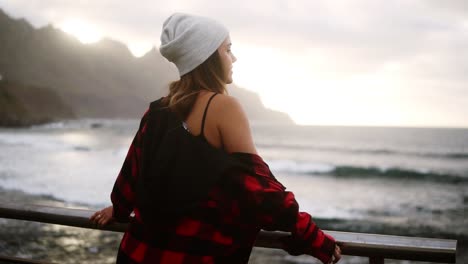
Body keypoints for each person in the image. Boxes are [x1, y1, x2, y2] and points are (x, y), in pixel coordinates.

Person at [90, 13, 341, 264]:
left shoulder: (155, 111)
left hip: (137, 253)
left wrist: (119, 210)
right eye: (228, 49)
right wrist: (312, 236)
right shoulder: (223, 107)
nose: (234, 58)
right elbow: (260, 191)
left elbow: (131, 177)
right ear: (207, 57)